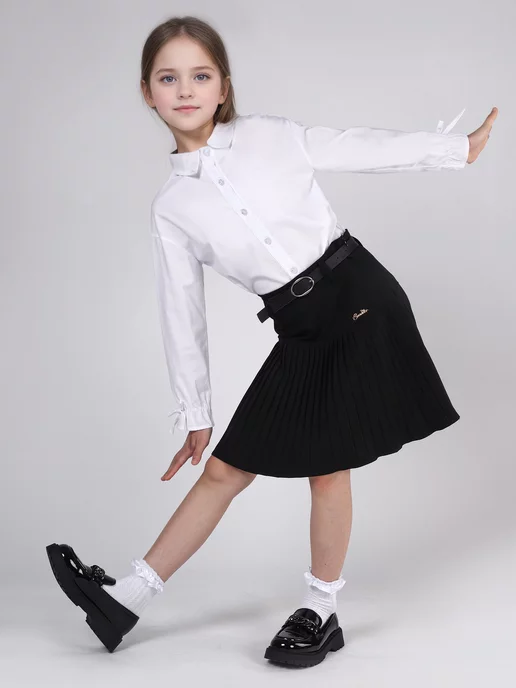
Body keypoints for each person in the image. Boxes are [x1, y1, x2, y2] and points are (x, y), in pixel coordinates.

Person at [46, 14, 497, 667]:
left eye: (200, 75)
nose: (185, 90)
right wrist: (195, 411)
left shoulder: (270, 136)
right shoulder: (171, 209)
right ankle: (124, 601)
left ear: (223, 86)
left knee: (327, 465)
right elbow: (181, 309)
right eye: (168, 78)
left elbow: (358, 147)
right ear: (147, 92)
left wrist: (455, 149)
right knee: (226, 467)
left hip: (359, 298)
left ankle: (321, 609)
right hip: (301, 325)